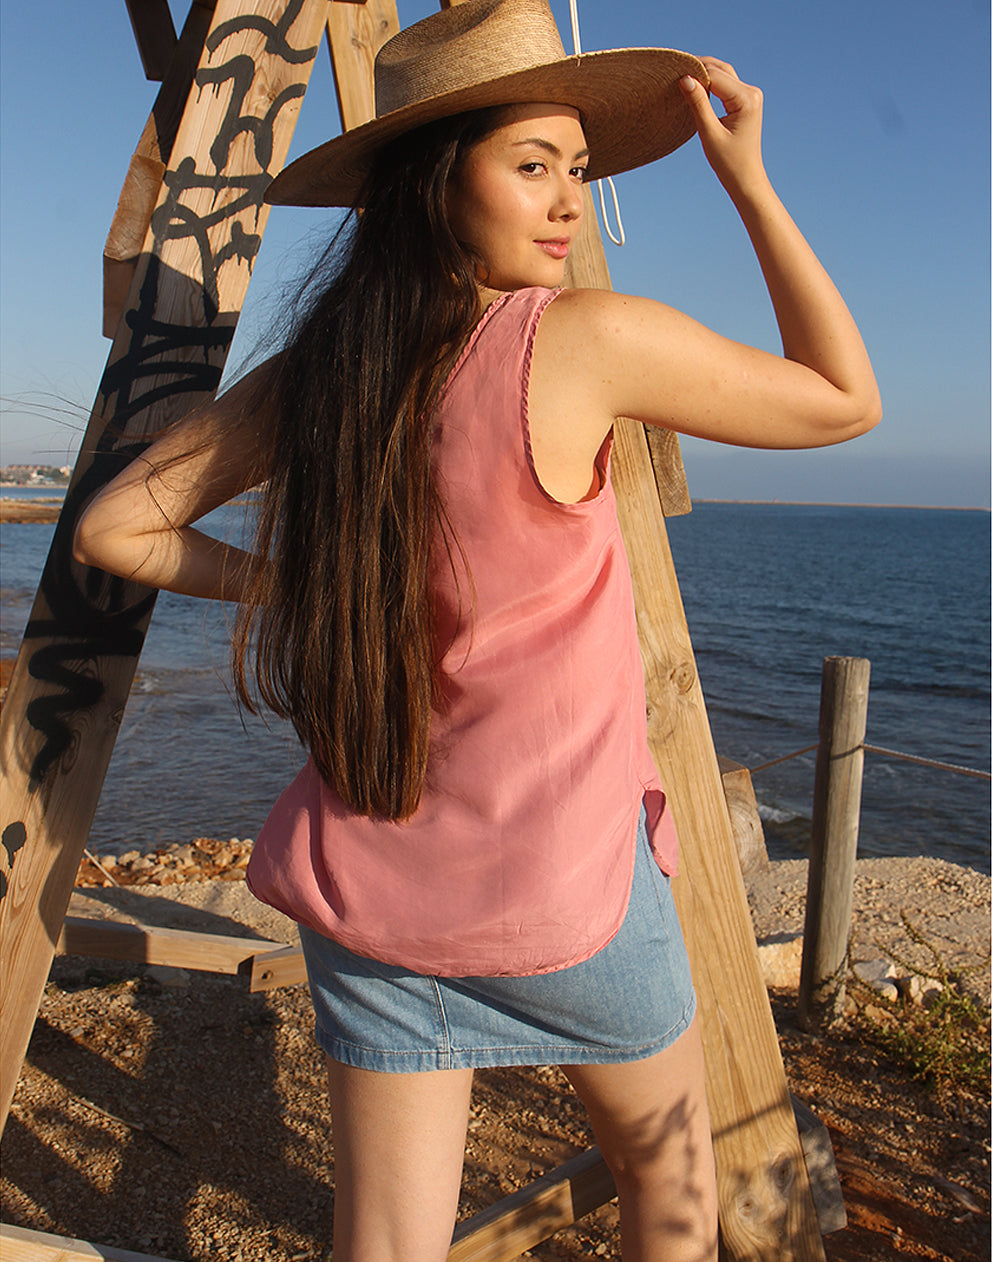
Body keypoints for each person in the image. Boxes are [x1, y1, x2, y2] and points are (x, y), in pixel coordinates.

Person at [74, 1, 880, 1257]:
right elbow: (842, 400)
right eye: (531, 165)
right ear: (436, 185)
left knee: (384, 1241)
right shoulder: (583, 340)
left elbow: (116, 526)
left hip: (366, 888)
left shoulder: (328, 365)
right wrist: (747, 181)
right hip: (571, 898)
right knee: (669, 1200)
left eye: (576, 168)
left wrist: (292, 586)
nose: (568, 201)